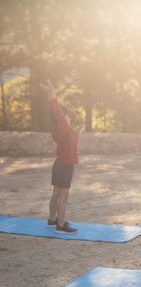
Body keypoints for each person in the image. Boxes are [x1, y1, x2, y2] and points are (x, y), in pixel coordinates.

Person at [41, 80, 78, 234]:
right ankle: (61, 226)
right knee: (63, 196)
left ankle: (52, 220)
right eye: (66, 116)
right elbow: (57, 111)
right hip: (64, 166)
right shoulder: (63, 127)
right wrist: (52, 94)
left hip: (59, 164)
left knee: (56, 193)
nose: (68, 118)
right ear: (62, 119)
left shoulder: (60, 129)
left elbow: (57, 114)